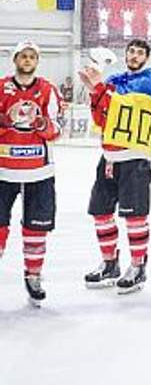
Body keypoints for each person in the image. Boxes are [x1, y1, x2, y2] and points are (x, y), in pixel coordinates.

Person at [79, 39, 151, 294]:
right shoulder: (114, 80)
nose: (135, 56)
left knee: (135, 215)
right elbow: (102, 116)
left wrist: (100, 87)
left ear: (146, 58)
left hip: (135, 156)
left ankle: (138, 267)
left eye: (140, 53)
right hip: (109, 155)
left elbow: (124, 104)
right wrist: (95, 90)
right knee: (100, 211)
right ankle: (109, 264)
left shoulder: (149, 80)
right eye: (131, 51)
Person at [0, 42, 62, 306]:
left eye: (32, 56)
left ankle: (33, 275)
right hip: (3, 171)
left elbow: (57, 130)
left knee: (36, 229)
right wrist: (7, 120)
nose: (27, 60)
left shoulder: (48, 89)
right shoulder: (1, 87)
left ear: (37, 61)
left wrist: (39, 122)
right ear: (15, 59)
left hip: (39, 171)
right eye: (23, 56)